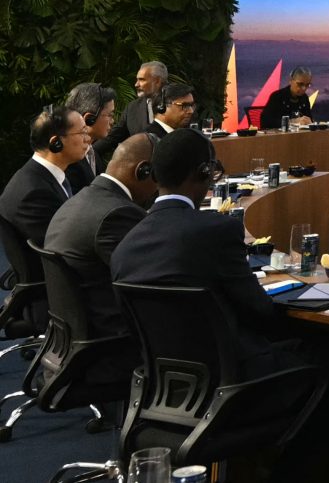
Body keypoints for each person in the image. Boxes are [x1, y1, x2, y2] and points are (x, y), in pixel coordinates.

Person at [109, 129, 300, 380]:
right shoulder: (218, 231)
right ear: (204, 172)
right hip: (234, 376)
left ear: (153, 175)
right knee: (328, 351)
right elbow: (260, 311)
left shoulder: (124, 247)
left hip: (164, 379)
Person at [45, 134, 158, 341]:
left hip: (76, 331)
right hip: (111, 340)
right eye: (159, 179)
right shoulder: (117, 214)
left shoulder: (81, 199)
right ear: (143, 171)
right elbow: (152, 280)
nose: (158, 189)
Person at [0, 107, 91, 252]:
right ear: (56, 143)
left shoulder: (42, 175)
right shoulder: (34, 193)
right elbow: (64, 246)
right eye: (82, 132)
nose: (88, 138)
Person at [94, 61, 167, 159]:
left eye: (142, 80)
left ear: (157, 81)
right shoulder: (132, 108)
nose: (136, 84)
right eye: (137, 80)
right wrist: (87, 154)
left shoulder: (178, 102)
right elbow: (112, 137)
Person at [63, 82, 117, 192]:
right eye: (110, 115)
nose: (113, 121)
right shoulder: (68, 159)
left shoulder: (92, 153)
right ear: (89, 118)